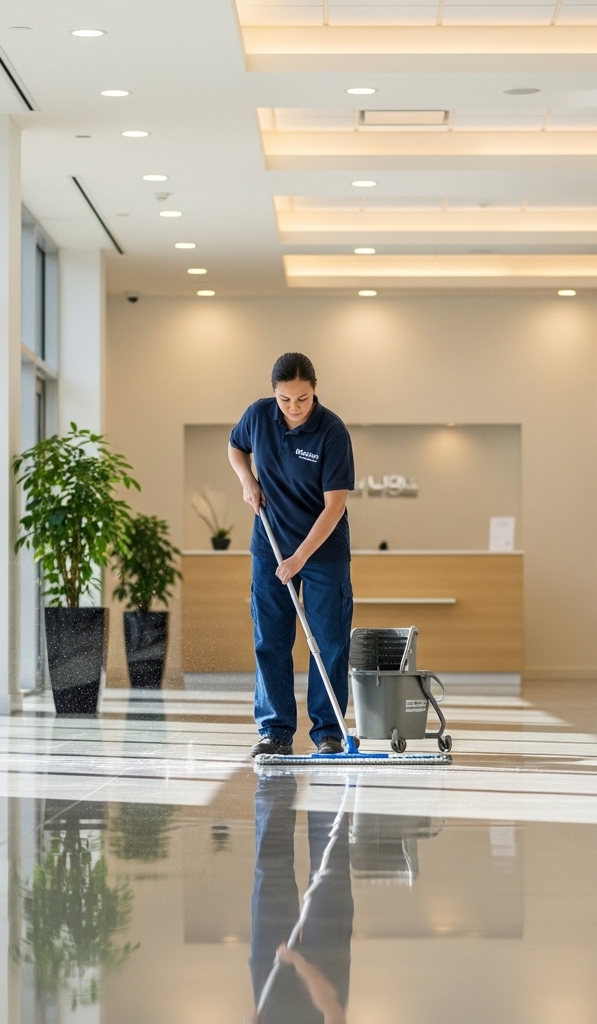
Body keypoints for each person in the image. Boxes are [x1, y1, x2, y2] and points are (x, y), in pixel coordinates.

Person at [228, 353, 355, 757]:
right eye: (285, 399)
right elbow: (235, 447)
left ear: (315, 390)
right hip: (270, 547)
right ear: (274, 393)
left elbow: (334, 506)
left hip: (322, 553)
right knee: (271, 638)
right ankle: (275, 731)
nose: (294, 408)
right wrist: (247, 480)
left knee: (329, 642)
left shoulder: (332, 432)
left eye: (302, 398)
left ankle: (329, 733)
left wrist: (300, 558)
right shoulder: (258, 416)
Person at [246, 773, 353, 1024]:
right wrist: (298, 962)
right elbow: (331, 1009)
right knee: (330, 876)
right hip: (326, 969)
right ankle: (328, 780)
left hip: (274, 994)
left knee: (270, 877)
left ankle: (274, 782)